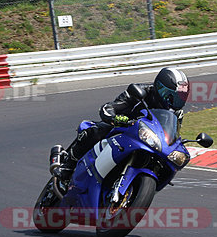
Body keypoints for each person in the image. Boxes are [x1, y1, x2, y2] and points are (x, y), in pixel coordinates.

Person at [54, 67, 190, 181]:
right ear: (162, 88)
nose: (179, 100)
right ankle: (68, 164)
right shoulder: (140, 92)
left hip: (145, 140)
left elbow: (171, 134)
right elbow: (109, 108)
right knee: (97, 130)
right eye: (176, 95)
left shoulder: (176, 114)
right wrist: (116, 118)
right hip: (122, 130)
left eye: (182, 96)